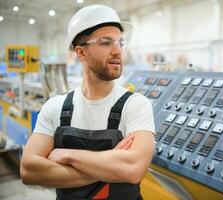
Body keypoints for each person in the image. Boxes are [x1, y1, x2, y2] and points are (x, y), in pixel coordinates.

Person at [20, 4, 155, 200]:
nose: (117, 51)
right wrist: (109, 166)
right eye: (106, 42)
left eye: (120, 42)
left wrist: (68, 156)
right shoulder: (55, 107)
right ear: (81, 52)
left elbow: (133, 169)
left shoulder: (136, 105)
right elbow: (28, 170)